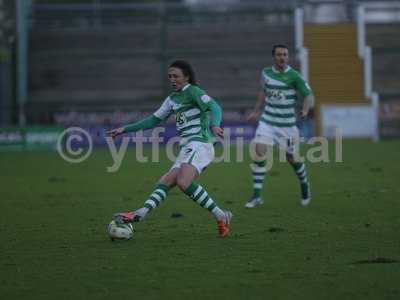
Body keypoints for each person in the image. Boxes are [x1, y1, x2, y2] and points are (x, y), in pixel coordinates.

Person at [107, 60, 233, 237]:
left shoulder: (193, 91)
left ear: (186, 77)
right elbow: (153, 120)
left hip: (200, 144)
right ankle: (141, 213)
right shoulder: (172, 99)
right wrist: (124, 129)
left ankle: (221, 216)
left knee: (183, 182)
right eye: (170, 76)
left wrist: (215, 124)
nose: (172, 79)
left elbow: (215, 106)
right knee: (165, 181)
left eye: (176, 76)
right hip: (187, 147)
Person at [245, 44, 315, 208]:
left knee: (292, 158)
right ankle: (256, 196)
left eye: (285, 54)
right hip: (267, 122)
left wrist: (305, 109)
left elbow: (309, 95)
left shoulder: (294, 76)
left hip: (287, 126)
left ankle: (305, 185)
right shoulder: (266, 73)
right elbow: (263, 91)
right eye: (279, 55)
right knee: (259, 152)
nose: (282, 57)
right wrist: (256, 111)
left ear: (288, 57)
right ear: (273, 57)